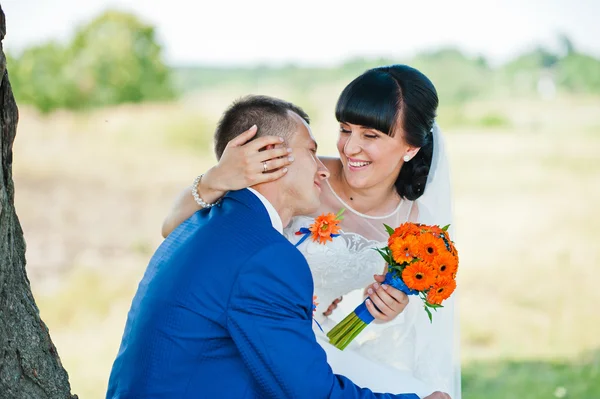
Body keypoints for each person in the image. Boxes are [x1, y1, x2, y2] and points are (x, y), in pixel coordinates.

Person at [107, 95, 448, 398]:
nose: (326, 168)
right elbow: (311, 394)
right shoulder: (265, 257)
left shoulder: (202, 222)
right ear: (270, 155)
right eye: (313, 152)